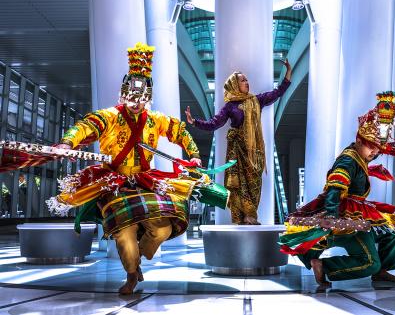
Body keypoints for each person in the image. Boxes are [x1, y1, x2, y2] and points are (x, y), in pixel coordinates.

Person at [48, 42, 229, 294]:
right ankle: (132, 273)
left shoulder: (156, 120)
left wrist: (194, 154)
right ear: (123, 95)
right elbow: (86, 126)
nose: (135, 103)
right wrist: (67, 142)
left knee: (162, 228)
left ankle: (139, 258)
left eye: (141, 99)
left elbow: (180, 132)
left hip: (146, 179)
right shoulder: (109, 116)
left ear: (148, 98)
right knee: (125, 234)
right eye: (131, 98)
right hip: (115, 180)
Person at [279, 91, 395, 287]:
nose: (375, 152)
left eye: (378, 149)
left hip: (361, 210)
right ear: (359, 140)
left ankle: (381, 271)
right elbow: (334, 188)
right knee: (369, 262)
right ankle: (324, 266)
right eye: (371, 147)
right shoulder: (348, 160)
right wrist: (331, 216)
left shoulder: (360, 155)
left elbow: (376, 150)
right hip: (348, 213)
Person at [185, 60, 292, 225]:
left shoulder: (257, 100)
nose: (246, 82)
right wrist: (194, 122)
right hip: (236, 150)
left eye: (246, 80)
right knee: (238, 185)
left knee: (254, 183)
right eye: (242, 80)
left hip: (254, 150)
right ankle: (243, 217)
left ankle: (251, 214)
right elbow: (214, 123)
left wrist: (288, 73)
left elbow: (278, 92)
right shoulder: (230, 106)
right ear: (234, 84)